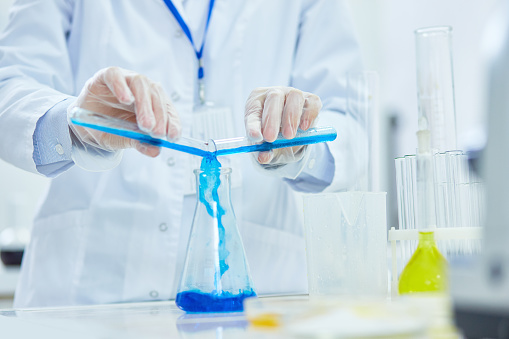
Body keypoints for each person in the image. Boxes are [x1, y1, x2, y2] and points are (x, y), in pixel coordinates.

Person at [0, 0, 364, 307]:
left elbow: (350, 122)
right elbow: (9, 85)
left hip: (261, 294)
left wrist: (299, 135)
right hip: (87, 294)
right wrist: (74, 122)